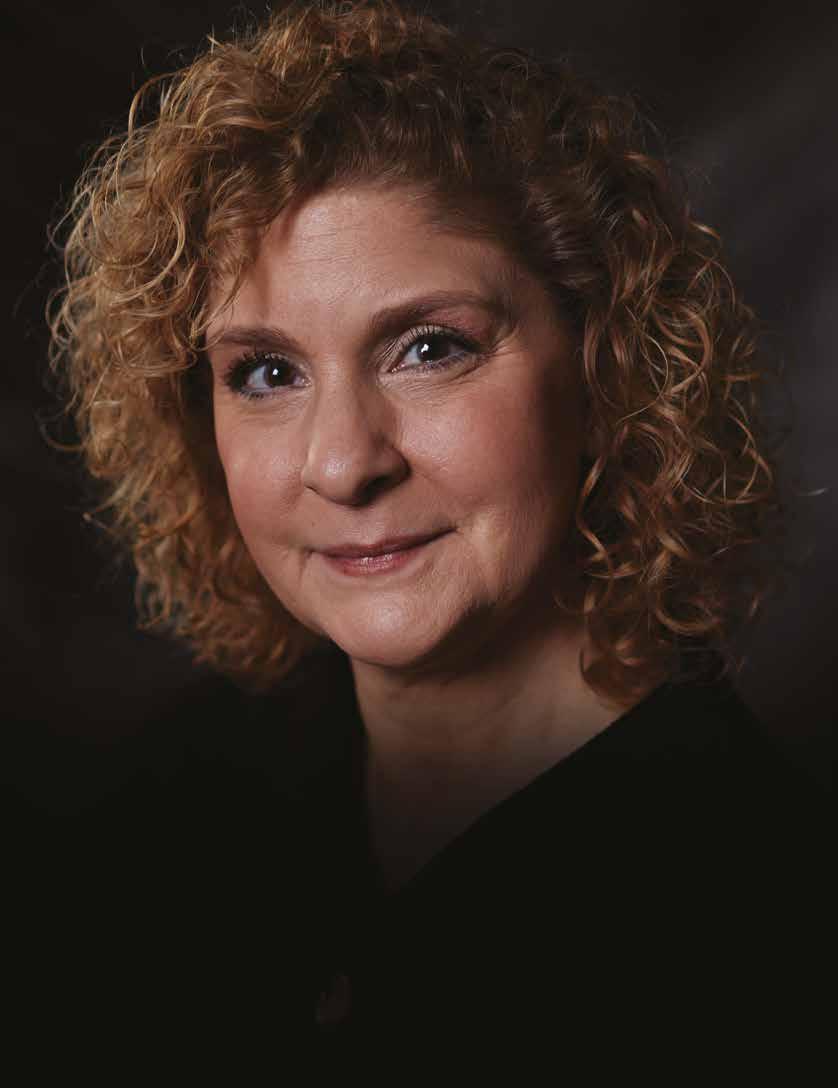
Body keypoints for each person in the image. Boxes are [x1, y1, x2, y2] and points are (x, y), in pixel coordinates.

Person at [39, 0, 826, 1073]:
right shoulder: (150, 820)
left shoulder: (777, 927)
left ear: (605, 362)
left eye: (427, 348)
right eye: (265, 372)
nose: (342, 461)